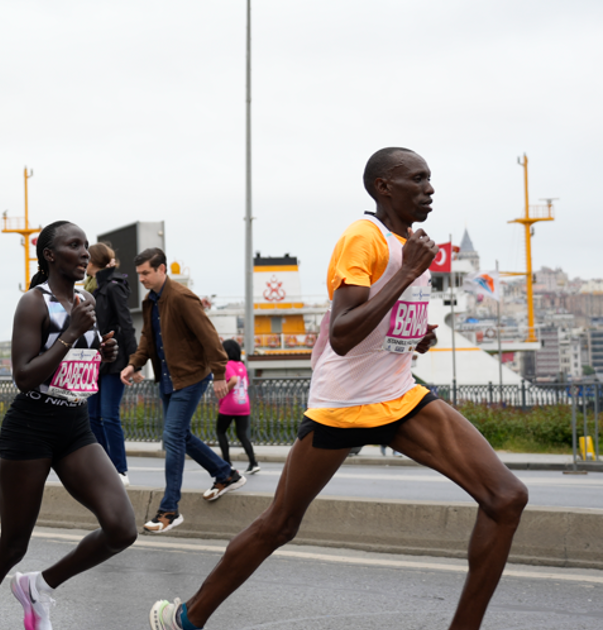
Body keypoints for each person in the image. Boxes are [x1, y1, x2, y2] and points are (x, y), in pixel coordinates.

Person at [148, 148, 530, 630]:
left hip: (399, 396)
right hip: (344, 406)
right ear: (383, 187)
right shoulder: (362, 238)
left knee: (506, 497)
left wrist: (416, 336)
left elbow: (383, 325)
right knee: (280, 524)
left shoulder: (411, 242)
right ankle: (187, 617)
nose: (430, 188)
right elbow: (345, 334)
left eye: (431, 179)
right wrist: (410, 271)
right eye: (418, 179)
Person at [0, 221, 135, 630]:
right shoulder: (33, 303)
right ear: (50, 255)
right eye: (74, 246)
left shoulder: (86, 299)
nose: (84, 253)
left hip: (74, 425)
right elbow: (25, 375)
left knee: (122, 529)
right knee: (13, 544)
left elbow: (74, 365)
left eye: (86, 246)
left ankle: (39, 586)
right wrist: (71, 334)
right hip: (30, 427)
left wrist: (103, 354)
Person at [121, 247, 244, 535]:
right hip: (168, 379)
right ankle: (226, 474)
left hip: (190, 377)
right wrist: (133, 364)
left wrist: (218, 375)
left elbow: (209, 337)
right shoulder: (151, 301)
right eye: (139, 274)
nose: (142, 278)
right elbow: (147, 340)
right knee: (181, 435)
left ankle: (170, 510)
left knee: (172, 436)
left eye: (146, 273)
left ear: (162, 269)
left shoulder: (182, 298)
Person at [85, 241, 138, 486]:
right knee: (92, 416)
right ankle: (104, 466)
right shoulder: (90, 287)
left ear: (92, 262)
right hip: (94, 359)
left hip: (114, 358)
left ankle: (120, 469)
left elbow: (126, 324)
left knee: (109, 415)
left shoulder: (113, 286)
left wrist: (134, 361)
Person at [216, 339, 258, 474]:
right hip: (243, 404)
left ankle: (227, 463)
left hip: (229, 404)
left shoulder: (227, 365)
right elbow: (245, 383)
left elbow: (233, 380)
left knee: (220, 431)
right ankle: (253, 462)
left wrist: (224, 391)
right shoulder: (242, 365)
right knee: (242, 434)